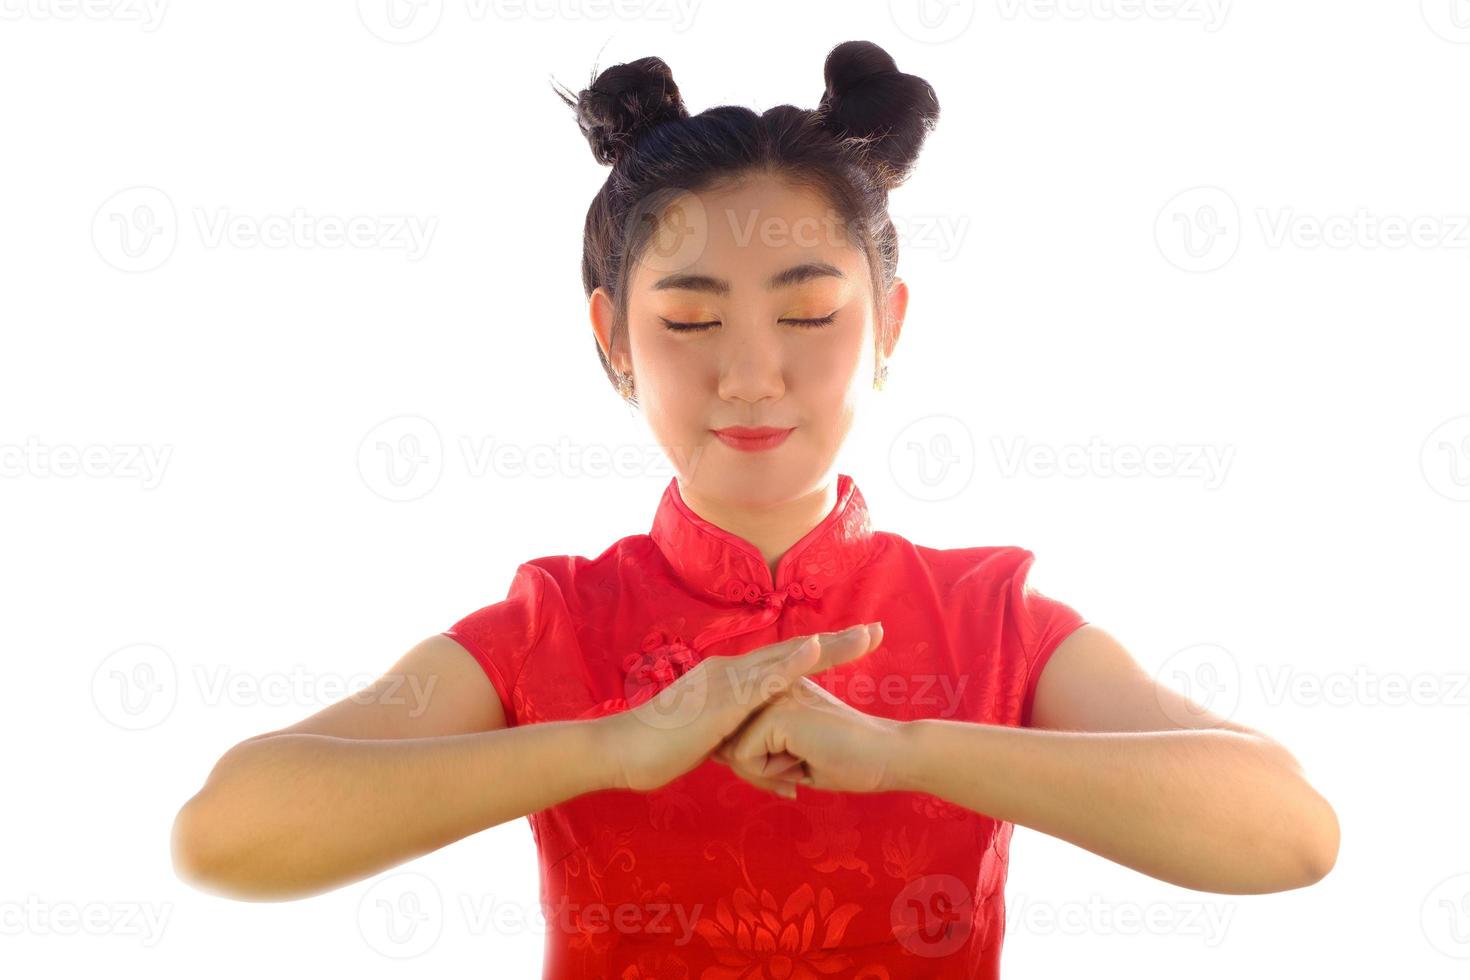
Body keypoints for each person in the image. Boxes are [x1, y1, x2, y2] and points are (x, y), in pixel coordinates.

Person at [171, 39, 1339, 979]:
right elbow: (224, 831)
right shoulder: (557, 624)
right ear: (610, 339)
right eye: (687, 320)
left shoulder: (993, 616)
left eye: (807, 311)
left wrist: (904, 750)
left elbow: (1290, 830)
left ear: (888, 324)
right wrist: (612, 746)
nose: (748, 373)